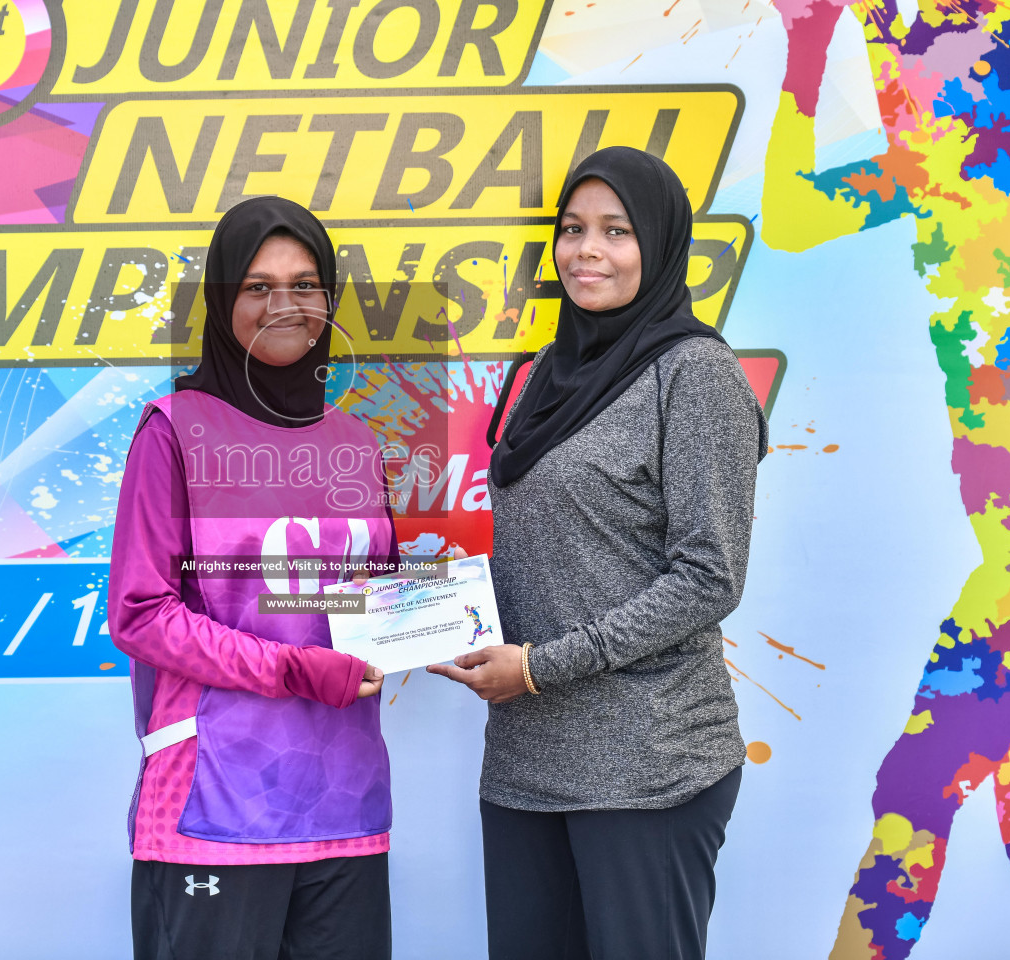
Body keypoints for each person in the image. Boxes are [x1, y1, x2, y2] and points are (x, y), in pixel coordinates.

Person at [427, 146, 768, 960]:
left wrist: (542, 666)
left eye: (616, 231)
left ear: (658, 245)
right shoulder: (541, 372)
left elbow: (709, 574)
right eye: (572, 229)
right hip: (524, 761)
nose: (587, 251)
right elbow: (538, 551)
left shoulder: (695, 374)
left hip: (649, 763)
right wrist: (419, 621)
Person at [108, 195, 399, 960]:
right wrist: (297, 669)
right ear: (222, 299)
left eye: (306, 285)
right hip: (217, 802)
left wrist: (435, 610)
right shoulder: (173, 429)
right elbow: (141, 613)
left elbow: (365, 599)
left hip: (346, 801)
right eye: (258, 286)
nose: (285, 305)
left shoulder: (354, 441)